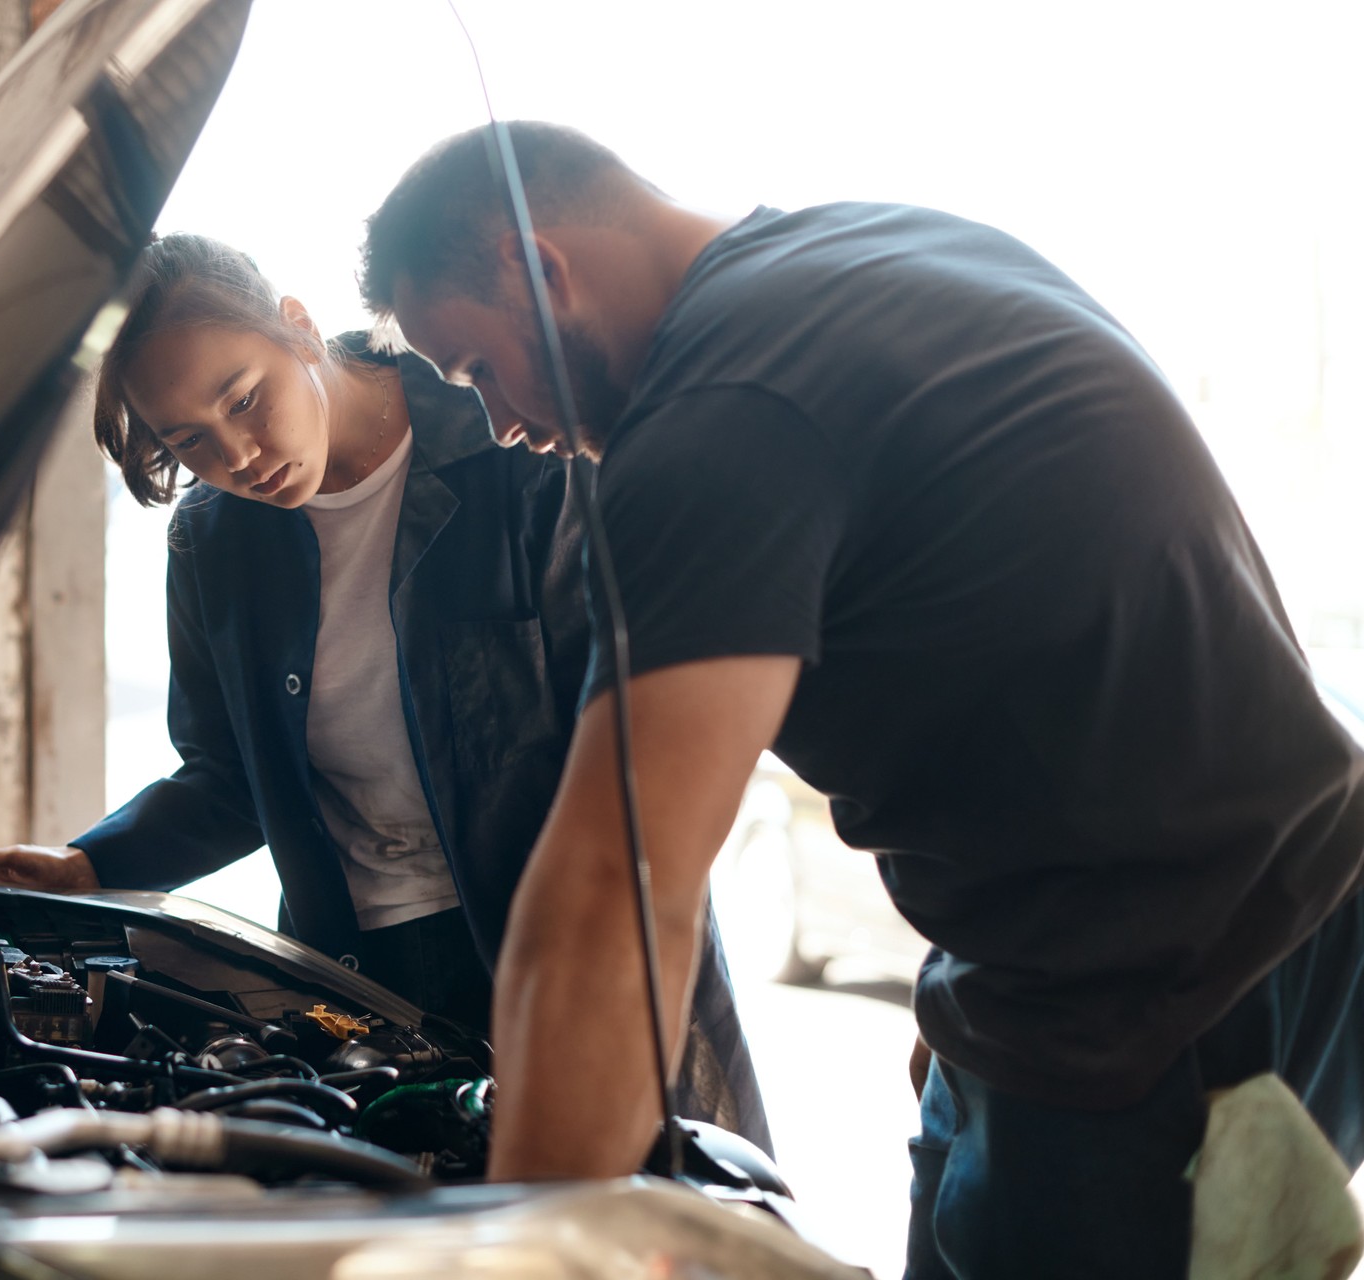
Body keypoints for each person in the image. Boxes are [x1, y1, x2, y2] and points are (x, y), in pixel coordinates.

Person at [358, 122, 1364, 1276]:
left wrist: (520, 1247)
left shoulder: (720, 412)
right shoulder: (872, 251)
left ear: (540, 268)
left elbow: (613, 888)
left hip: (1178, 974)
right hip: (1157, 926)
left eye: (479, 368)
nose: (497, 425)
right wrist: (967, 985)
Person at [0, 232, 770, 1150]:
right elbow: (229, 778)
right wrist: (93, 866)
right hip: (359, 979)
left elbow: (629, 747)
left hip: (566, 950)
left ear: (298, 327)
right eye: (189, 441)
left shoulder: (516, 444)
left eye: (245, 399)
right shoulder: (215, 545)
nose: (239, 454)